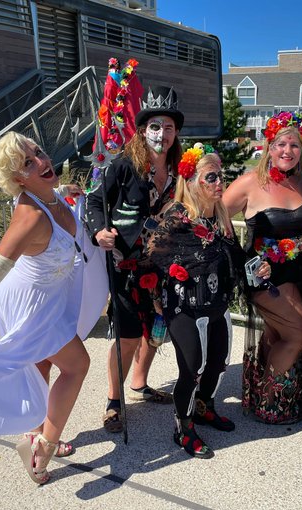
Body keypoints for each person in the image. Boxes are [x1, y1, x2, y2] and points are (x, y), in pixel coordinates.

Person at [0, 132, 98, 484]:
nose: (41, 161)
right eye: (28, 163)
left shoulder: (49, 195)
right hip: (29, 303)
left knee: (41, 363)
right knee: (77, 365)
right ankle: (44, 448)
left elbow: (55, 201)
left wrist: (65, 191)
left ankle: (34, 432)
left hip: (47, 295)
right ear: (18, 179)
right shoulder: (31, 217)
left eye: (38, 152)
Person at [85, 85, 184, 432]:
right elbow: (94, 200)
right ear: (143, 130)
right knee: (127, 337)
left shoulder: (179, 169)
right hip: (126, 264)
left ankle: (139, 383)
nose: (162, 134)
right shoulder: (125, 165)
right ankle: (114, 401)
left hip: (163, 264)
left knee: (156, 330)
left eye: (169, 127)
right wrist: (99, 231)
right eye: (155, 126)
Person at [148, 144, 249, 458]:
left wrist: (256, 265)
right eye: (211, 177)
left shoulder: (220, 216)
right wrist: (156, 295)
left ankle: (205, 408)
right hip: (184, 306)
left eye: (221, 176)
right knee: (192, 368)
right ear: (191, 182)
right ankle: (183, 428)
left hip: (216, 303)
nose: (220, 183)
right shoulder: (178, 215)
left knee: (218, 363)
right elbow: (151, 257)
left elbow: (234, 255)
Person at [223, 111, 302, 424]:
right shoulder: (251, 183)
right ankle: (268, 400)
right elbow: (214, 215)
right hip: (263, 279)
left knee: (277, 333)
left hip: (298, 275)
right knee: (298, 335)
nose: (287, 151)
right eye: (281, 144)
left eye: (294, 145)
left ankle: (260, 397)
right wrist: (239, 258)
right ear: (269, 147)